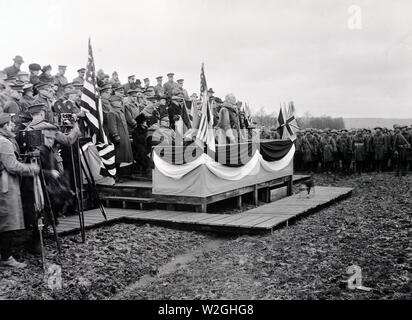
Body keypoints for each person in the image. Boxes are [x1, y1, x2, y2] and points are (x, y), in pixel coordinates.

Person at [0, 113, 39, 268]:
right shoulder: (3, 142)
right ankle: (6, 257)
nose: (13, 127)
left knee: (4, 221)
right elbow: (12, 166)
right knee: (8, 221)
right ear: (3, 127)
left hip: (5, 182)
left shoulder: (5, 141)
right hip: (6, 184)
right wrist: (31, 168)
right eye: (10, 124)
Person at [109, 86, 134, 179]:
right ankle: (116, 175)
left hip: (124, 137)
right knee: (117, 157)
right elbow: (113, 126)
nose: (121, 102)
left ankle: (121, 174)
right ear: (113, 103)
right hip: (119, 138)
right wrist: (116, 136)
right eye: (119, 101)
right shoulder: (112, 112)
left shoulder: (119, 112)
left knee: (123, 157)